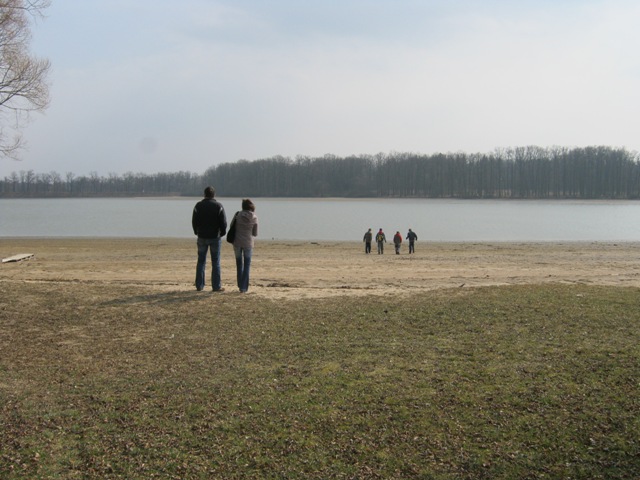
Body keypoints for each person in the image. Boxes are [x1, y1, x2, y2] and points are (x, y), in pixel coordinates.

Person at [192, 186, 227, 291]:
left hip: (202, 236)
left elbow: (194, 221)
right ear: (214, 195)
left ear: (204, 194)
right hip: (215, 237)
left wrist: (196, 231)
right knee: (215, 262)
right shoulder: (218, 206)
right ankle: (216, 286)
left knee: (201, 261)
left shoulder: (198, 205)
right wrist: (222, 233)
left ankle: (199, 285)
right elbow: (223, 222)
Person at [232, 198, 258, 293]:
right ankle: (244, 287)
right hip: (248, 243)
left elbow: (232, 226)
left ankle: (240, 284)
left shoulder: (237, 215)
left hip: (237, 242)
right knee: (247, 265)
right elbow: (255, 233)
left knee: (239, 263)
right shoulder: (254, 217)